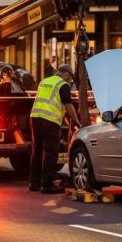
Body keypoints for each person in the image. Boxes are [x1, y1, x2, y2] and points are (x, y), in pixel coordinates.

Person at [29, 64, 79, 194]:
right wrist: (76, 121)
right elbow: (68, 105)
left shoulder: (45, 81)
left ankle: (34, 183)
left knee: (37, 151)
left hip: (35, 118)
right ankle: (47, 184)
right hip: (50, 121)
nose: (70, 79)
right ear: (66, 74)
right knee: (51, 152)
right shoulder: (63, 85)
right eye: (71, 76)